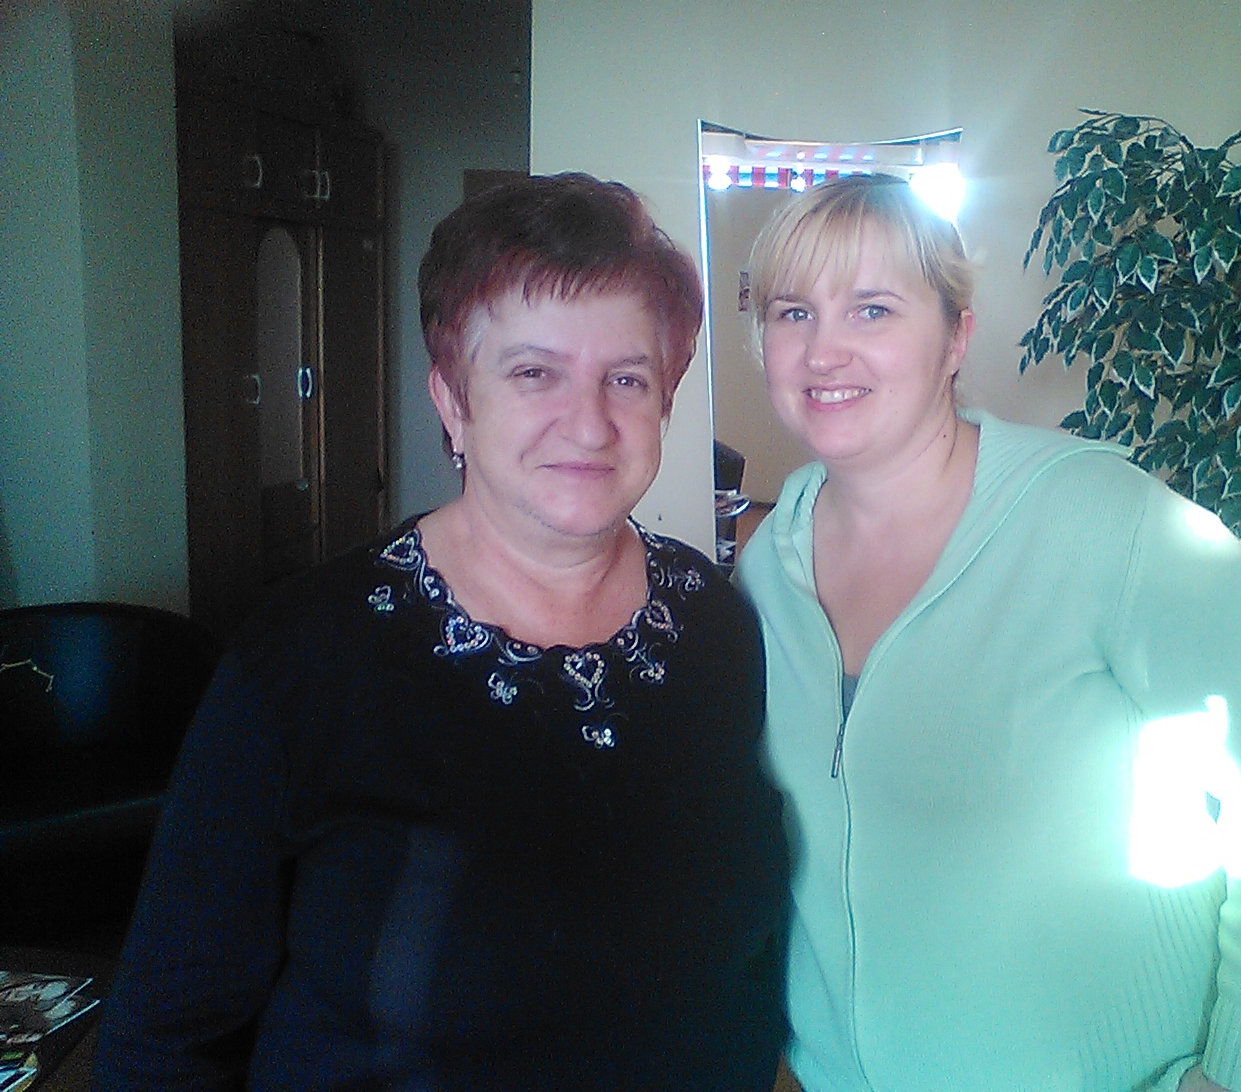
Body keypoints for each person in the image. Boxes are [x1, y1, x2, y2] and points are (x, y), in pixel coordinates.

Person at [94, 174, 789, 1091]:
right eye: (534, 372)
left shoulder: (716, 624)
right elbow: (163, 1037)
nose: (590, 424)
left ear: (665, 404)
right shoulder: (305, 656)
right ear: (454, 402)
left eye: (627, 378)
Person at [736, 174, 1241, 1092]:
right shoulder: (766, 566)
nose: (824, 350)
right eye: (794, 313)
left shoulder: (1110, 523)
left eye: (872, 309)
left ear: (956, 337)